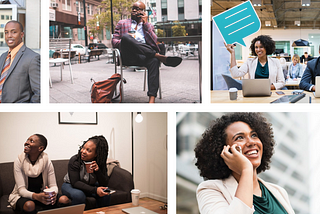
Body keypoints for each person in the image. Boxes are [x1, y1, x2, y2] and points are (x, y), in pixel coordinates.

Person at [194, 113, 294, 214]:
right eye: (239, 138)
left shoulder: (278, 192)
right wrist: (246, 169)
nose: (251, 142)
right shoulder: (210, 190)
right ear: (224, 150)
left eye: (254, 135)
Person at [112, 1, 182, 103]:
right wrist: (126, 42)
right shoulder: (122, 23)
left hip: (144, 56)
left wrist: (146, 24)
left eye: (139, 9)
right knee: (126, 37)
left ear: (143, 12)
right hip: (128, 56)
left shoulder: (148, 25)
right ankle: (158, 56)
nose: (135, 11)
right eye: (134, 8)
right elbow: (114, 41)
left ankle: (152, 99)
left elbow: (154, 42)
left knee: (154, 61)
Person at [8, 134, 70, 214]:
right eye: (27, 140)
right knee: (29, 205)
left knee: (64, 199)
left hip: (42, 194)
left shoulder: (46, 161)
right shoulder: (19, 161)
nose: (26, 143)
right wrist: (36, 196)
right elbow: (21, 190)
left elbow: (54, 186)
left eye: (31, 141)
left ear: (40, 148)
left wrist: (53, 194)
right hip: (24, 196)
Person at [61, 135, 111, 208]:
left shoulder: (99, 161)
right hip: (70, 185)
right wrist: (95, 190)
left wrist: (98, 171)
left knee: (106, 192)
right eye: (83, 148)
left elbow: (104, 183)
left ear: (96, 154)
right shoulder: (75, 160)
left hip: (89, 185)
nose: (83, 152)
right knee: (79, 195)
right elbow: (75, 182)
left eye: (88, 150)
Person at [0, 20, 40, 103]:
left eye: (13, 32)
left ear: (21, 35)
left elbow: (39, 93)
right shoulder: (3, 56)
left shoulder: (32, 58)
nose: (9, 36)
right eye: (6, 32)